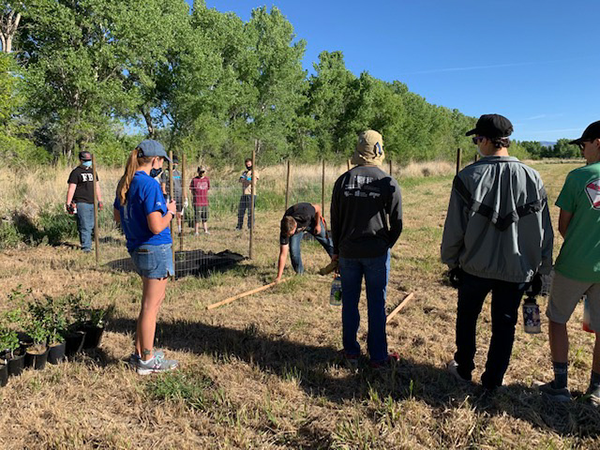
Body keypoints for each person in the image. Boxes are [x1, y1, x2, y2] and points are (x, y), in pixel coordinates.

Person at [441, 114, 553, 391]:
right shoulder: (532, 177)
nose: (477, 144)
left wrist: (451, 261)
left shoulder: (467, 177)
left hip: (474, 267)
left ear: (490, 141)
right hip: (517, 269)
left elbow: (454, 227)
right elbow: (544, 229)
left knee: (467, 319)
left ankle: (464, 369)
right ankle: (493, 379)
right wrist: (543, 268)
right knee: (505, 325)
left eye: (478, 139)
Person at [537, 121, 600, 403]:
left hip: (574, 265)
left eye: (583, 144)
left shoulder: (577, 177)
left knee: (557, 319)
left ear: (597, 142)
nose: (581, 150)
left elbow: (564, 225)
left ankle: (560, 384)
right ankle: (596, 390)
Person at [330, 130, 403, 368]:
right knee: (376, 304)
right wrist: (386, 244)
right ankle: (378, 358)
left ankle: (351, 352)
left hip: (348, 252)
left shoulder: (343, 181)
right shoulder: (387, 182)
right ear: (379, 150)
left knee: (349, 303)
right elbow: (398, 222)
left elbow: (336, 220)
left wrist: (337, 249)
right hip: (376, 253)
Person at [113, 139, 179, 375]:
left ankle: (140, 353)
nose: (161, 165)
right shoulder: (149, 184)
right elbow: (156, 226)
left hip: (137, 248)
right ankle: (148, 360)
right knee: (152, 307)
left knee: (147, 305)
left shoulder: (127, 182)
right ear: (155, 160)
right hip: (155, 249)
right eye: (162, 161)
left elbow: (118, 216)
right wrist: (169, 212)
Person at [274, 202, 334, 282]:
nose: (288, 236)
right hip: (299, 228)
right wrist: (279, 277)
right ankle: (300, 273)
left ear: (295, 226)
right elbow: (283, 254)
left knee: (326, 241)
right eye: (288, 235)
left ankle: (338, 265)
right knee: (294, 251)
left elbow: (318, 208)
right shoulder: (285, 229)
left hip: (313, 222)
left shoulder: (306, 213)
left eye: (290, 234)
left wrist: (317, 225)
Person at [66, 151, 103, 253]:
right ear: (81, 160)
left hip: (93, 202)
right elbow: (71, 188)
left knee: (92, 225)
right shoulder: (76, 172)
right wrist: (68, 203)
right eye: (86, 160)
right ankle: (86, 248)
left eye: (89, 160)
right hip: (81, 202)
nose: (88, 162)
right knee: (84, 225)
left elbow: (97, 187)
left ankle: (91, 244)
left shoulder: (93, 172)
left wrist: (100, 200)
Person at [161, 155, 185, 233]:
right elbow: (163, 187)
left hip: (179, 196)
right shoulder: (165, 173)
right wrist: (166, 198)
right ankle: (168, 231)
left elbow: (183, 186)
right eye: (173, 163)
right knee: (169, 215)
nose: (175, 164)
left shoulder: (179, 173)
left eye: (176, 163)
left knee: (179, 214)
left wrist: (185, 198)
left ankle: (179, 230)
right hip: (170, 197)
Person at [236, 158, 258, 230]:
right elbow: (240, 180)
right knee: (241, 211)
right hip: (244, 194)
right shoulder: (244, 172)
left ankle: (250, 227)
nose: (247, 165)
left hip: (251, 194)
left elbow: (252, 182)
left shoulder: (254, 172)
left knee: (250, 212)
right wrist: (247, 180)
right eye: (246, 164)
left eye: (249, 164)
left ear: (252, 164)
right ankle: (239, 226)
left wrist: (245, 180)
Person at [190, 166, 210, 235]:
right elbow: (192, 190)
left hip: (205, 201)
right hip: (197, 202)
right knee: (197, 217)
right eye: (201, 172)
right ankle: (196, 231)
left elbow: (208, 188)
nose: (202, 173)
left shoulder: (207, 179)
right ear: (198, 172)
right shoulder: (194, 180)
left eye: (203, 172)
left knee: (205, 217)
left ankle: (206, 230)